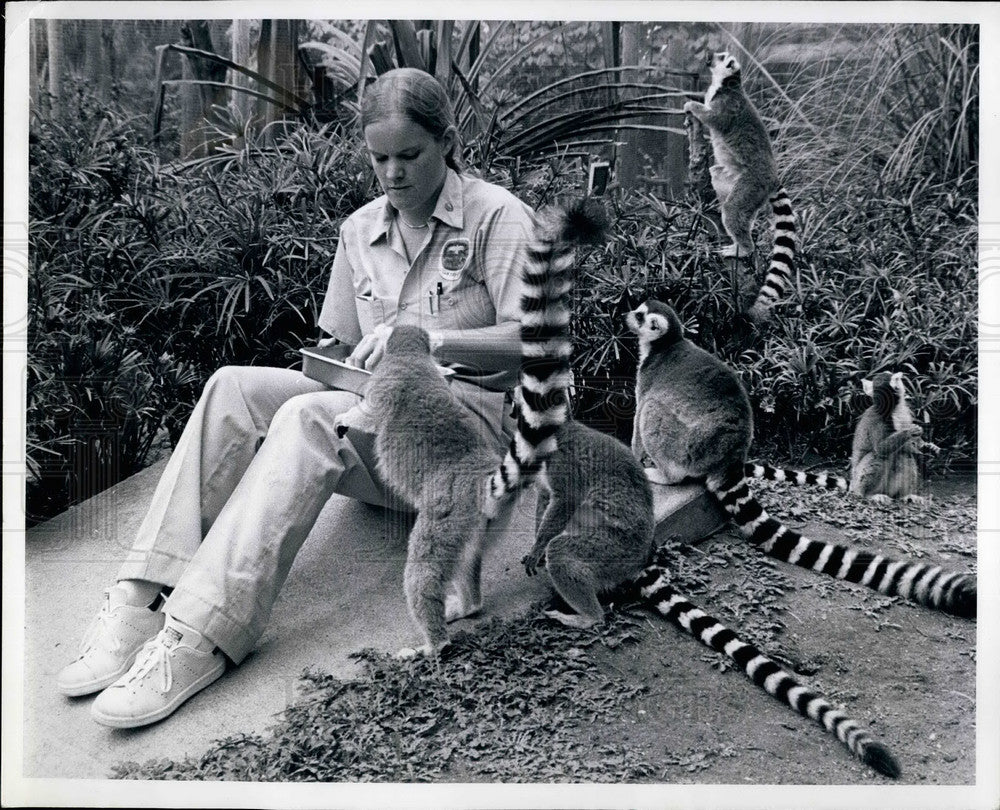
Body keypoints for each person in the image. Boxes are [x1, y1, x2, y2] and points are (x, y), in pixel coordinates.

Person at [56, 67, 534, 728]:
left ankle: (197, 636)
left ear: (448, 141)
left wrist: (430, 334)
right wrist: (338, 361)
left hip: (452, 455)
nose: (393, 174)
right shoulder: (361, 229)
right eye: (379, 159)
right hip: (372, 421)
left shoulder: (499, 217)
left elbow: (534, 344)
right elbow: (338, 347)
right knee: (233, 388)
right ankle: (139, 599)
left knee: (309, 417)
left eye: (411, 156)